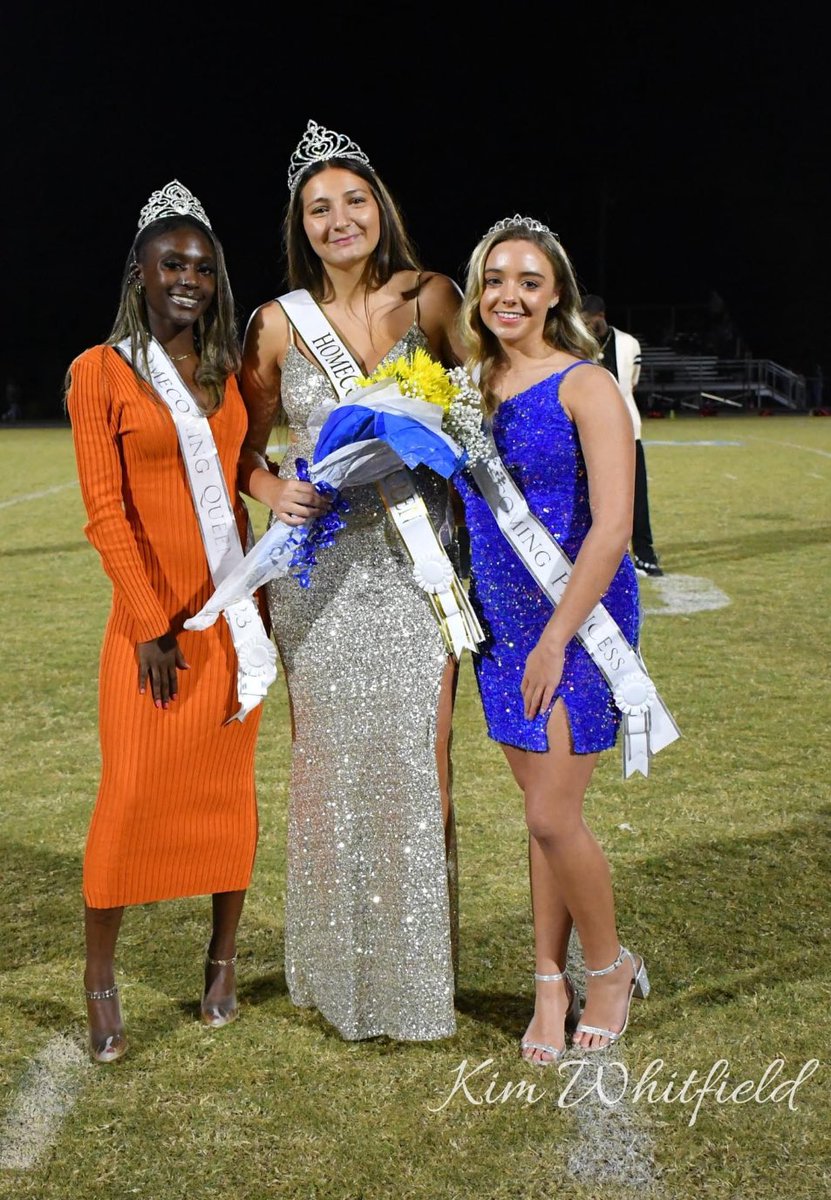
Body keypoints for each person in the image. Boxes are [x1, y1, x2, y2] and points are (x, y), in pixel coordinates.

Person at [238, 120, 467, 1041]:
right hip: (320, 574)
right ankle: (336, 973)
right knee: (328, 769)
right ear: (303, 224)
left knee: (423, 764)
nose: (340, 220)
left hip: (416, 565)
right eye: (319, 208)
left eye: (354, 200)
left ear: (382, 208)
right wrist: (269, 486)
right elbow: (242, 448)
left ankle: (417, 978)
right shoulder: (275, 322)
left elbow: (482, 406)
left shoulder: (433, 298)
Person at [66, 180, 266, 1062]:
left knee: (228, 798)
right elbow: (105, 513)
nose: (188, 278)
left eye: (203, 267)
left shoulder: (226, 378)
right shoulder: (98, 372)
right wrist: (150, 622)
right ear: (139, 272)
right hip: (148, 632)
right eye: (171, 262)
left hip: (228, 620)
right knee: (131, 798)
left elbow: (237, 486)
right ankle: (100, 979)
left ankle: (220, 963)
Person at [455, 217, 650, 1063]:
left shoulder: (586, 386)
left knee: (551, 812)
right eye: (495, 278)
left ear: (555, 293)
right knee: (540, 823)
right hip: (498, 625)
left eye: (529, 281)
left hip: (574, 624)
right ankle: (548, 983)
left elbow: (611, 531)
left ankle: (606, 969)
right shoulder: (461, 389)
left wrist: (555, 640)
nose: (510, 294)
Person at [581, 294, 664, 577]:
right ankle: (599, 555)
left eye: (591, 321)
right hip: (587, 431)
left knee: (636, 493)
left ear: (602, 316)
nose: (588, 327)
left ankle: (644, 553)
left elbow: (633, 382)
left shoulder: (628, 343)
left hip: (628, 428)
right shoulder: (576, 342)